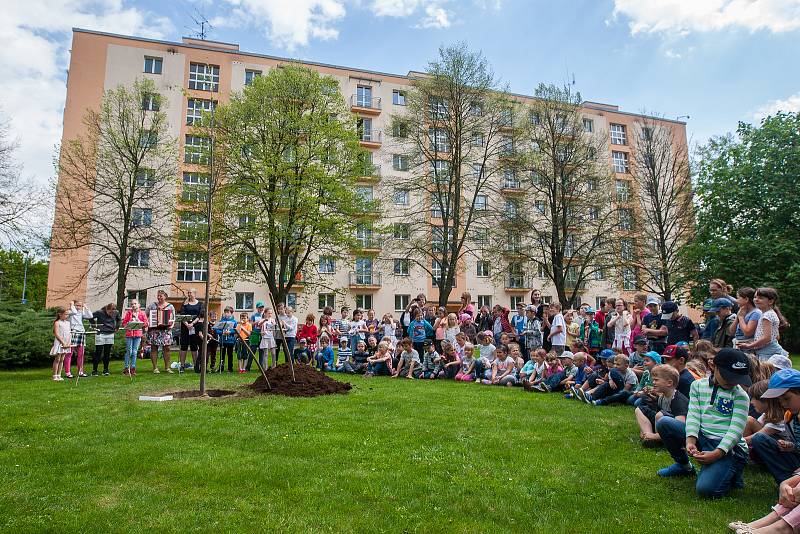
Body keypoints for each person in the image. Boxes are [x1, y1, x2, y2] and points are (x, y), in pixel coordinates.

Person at [655, 348, 751, 499]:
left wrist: (717, 453)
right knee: (664, 422)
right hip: (703, 437)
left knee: (706, 491)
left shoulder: (741, 396)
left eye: (737, 378)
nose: (733, 382)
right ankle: (683, 466)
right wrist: (690, 439)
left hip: (728, 446)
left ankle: (732, 471)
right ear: (713, 366)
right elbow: (693, 414)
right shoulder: (697, 386)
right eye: (728, 377)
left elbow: (736, 430)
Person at [748, 370, 800, 485]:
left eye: (786, 399)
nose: (783, 404)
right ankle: (787, 484)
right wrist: (791, 446)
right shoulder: (789, 416)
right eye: (780, 400)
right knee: (760, 439)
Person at [634, 364, 689, 447]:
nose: (653, 383)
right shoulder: (662, 396)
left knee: (660, 414)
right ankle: (648, 435)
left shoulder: (678, 400)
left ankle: (658, 439)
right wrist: (651, 397)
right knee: (640, 410)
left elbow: (680, 425)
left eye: (656, 380)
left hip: (674, 431)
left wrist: (657, 436)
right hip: (662, 425)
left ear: (669, 383)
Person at [739, 287, 789, 361]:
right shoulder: (769, 313)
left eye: (760, 298)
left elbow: (767, 338)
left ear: (770, 301)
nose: (756, 299)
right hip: (768, 351)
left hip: (767, 354)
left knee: (766, 372)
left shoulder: (767, 316)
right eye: (755, 297)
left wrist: (749, 345)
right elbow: (776, 336)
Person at [147, 290, 175, 374]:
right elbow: (146, 315)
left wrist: (172, 325)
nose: (159, 297)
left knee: (167, 348)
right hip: (154, 330)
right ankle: (155, 368)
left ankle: (167, 367)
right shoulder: (152, 305)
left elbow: (173, 318)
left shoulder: (170, 306)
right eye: (158, 296)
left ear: (165, 296)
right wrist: (148, 323)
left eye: (161, 296)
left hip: (166, 330)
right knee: (154, 348)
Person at [178, 289, 204, 372]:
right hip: (185, 327)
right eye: (188, 292)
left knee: (194, 346)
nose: (189, 294)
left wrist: (192, 324)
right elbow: (182, 314)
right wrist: (187, 324)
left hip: (195, 326)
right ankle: (182, 365)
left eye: (190, 292)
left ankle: (196, 365)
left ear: (195, 294)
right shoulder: (184, 304)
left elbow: (200, 315)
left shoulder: (200, 304)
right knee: (184, 346)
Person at [91, 303, 120, 377]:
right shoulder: (100, 312)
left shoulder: (116, 312)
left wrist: (117, 327)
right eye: (109, 312)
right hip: (100, 333)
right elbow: (90, 317)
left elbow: (118, 319)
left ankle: (106, 370)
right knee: (98, 352)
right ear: (107, 309)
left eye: (112, 312)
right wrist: (94, 325)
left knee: (107, 353)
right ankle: (94, 370)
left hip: (110, 333)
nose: (111, 314)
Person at [121, 299, 148, 376]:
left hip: (138, 334)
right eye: (132, 304)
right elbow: (124, 323)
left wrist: (139, 322)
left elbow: (146, 323)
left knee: (135, 351)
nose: (133, 305)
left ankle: (133, 368)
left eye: (135, 304)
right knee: (129, 351)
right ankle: (126, 368)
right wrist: (128, 323)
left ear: (139, 305)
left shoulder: (142, 313)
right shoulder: (128, 313)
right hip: (129, 334)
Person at [66, 300, 92, 378]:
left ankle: (80, 371)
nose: (79, 307)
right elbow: (74, 312)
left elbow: (90, 316)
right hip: (73, 332)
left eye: (80, 306)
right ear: (74, 305)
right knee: (69, 353)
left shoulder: (81, 313)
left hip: (81, 333)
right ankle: (68, 372)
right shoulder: (70, 311)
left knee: (81, 354)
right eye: (77, 305)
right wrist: (71, 305)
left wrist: (86, 307)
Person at [50, 307, 72, 381]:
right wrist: (62, 342)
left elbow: (69, 333)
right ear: (60, 314)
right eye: (66, 314)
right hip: (59, 342)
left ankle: (59, 374)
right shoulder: (57, 322)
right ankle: (54, 375)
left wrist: (68, 342)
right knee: (57, 359)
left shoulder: (68, 323)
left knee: (62, 359)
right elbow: (56, 333)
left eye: (68, 314)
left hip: (66, 343)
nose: (67, 316)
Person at [214, 307, 238, 373]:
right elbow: (216, 330)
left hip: (230, 340)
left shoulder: (234, 322)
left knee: (230, 354)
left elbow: (236, 330)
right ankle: (221, 368)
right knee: (222, 355)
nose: (226, 314)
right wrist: (222, 332)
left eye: (228, 312)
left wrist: (230, 332)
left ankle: (230, 368)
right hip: (223, 340)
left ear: (231, 313)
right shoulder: (221, 321)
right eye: (225, 312)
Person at [246, 302, 265, 371]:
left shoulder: (264, 315)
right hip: (254, 334)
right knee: (252, 351)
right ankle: (248, 367)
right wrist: (256, 323)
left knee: (261, 351)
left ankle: (261, 367)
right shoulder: (254, 315)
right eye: (260, 307)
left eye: (262, 307)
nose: (261, 309)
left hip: (262, 334)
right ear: (257, 308)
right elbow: (250, 324)